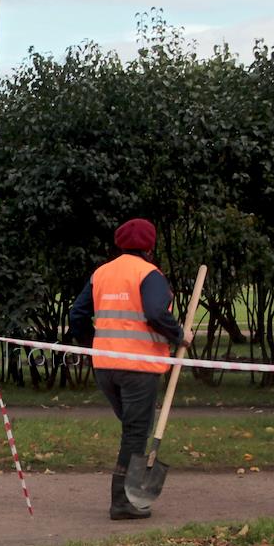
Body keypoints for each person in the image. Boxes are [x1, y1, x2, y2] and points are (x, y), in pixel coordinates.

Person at [68, 218, 192, 521]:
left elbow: (77, 314)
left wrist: (92, 345)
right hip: (138, 366)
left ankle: (126, 493)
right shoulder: (149, 274)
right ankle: (122, 501)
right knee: (135, 433)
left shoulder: (102, 272)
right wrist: (179, 335)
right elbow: (154, 312)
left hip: (106, 366)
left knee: (132, 429)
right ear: (150, 246)